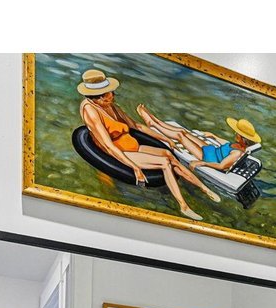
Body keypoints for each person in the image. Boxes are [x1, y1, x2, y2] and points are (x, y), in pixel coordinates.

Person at [76, 69, 219, 221]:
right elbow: (109, 146)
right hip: (120, 152)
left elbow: (136, 127)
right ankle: (183, 206)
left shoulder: (111, 106)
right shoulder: (90, 111)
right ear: (98, 98)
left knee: (169, 155)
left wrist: (165, 139)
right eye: (109, 93)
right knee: (164, 163)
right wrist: (134, 167)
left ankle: (204, 188)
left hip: (133, 146)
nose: (113, 95)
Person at [136, 106, 261, 174]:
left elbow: (221, 165)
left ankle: (153, 124)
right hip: (211, 149)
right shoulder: (239, 146)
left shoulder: (237, 153)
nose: (235, 133)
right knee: (183, 132)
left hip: (207, 156)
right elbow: (226, 145)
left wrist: (202, 163)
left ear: (242, 138)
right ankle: (155, 120)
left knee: (181, 136)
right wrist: (214, 136)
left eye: (237, 133)